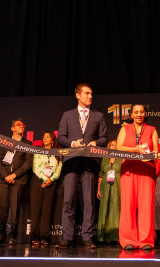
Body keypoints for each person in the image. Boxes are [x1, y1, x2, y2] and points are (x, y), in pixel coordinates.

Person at [56, 83, 108, 249]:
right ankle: (67, 238)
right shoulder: (67, 115)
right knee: (68, 202)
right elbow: (61, 138)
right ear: (78, 95)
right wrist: (72, 143)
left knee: (89, 203)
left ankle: (87, 238)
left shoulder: (98, 116)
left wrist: (95, 142)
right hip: (71, 162)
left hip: (89, 163)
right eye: (86, 93)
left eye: (91, 94)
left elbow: (104, 138)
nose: (90, 96)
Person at [117, 102, 159, 250]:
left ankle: (146, 240)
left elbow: (155, 150)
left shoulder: (152, 130)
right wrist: (135, 149)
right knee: (128, 205)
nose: (139, 114)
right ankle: (128, 240)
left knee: (146, 206)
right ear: (131, 115)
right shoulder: (125, 129)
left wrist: (150, 153)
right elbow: (119, 147)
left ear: (145, 114)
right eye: (136, 112)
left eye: (141, 112)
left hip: (147, 170)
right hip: (128, 170)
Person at [0, 118, 33, 245]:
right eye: (18, 125)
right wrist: (5, 176)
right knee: (2, 208)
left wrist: (14, 175)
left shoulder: (27, 143)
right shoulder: (5, 142)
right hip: (3, 179)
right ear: (12, 128)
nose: (22, 127)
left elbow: (28, 162)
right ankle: (1, 235)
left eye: (23, 125)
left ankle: (12, 236)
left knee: (15, 209)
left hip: (18, 180)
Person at [31, 131, 62, 246]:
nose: (45, 138)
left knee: (47, 211)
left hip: (51, 183)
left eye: (48, 137)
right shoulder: (38, 151)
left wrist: (52, 179)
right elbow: (35, 167)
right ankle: (34, 236)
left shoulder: (57, 153)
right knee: (36, 210)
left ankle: (44, 237)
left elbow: (59, 168)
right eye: (43, 136)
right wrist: (45, 179)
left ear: (53, 139)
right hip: (38, 181)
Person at [96, 140, 123, 243]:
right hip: (105, 187)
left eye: (116, 145)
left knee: (117, 210)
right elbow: (101, 174)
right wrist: (98, 188)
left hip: (118, 186)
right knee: (105, 209)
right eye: (112, 145)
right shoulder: (105, 159)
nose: (114, 146)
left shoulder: (122, 158)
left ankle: (117, 237)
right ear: (108, 147)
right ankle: (106, 236)